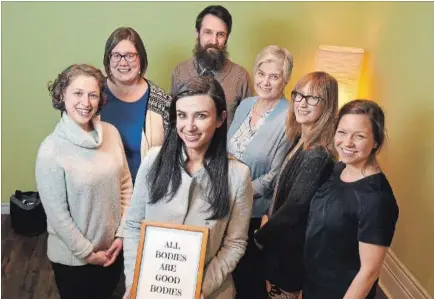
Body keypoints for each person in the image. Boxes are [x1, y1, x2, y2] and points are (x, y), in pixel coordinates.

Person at [122, 76, 253, 299]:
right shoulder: (153, 160)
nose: (189, 126)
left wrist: (199, 289)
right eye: (182, 115)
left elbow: (235, 243)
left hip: (208, 291)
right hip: (152, 289)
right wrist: (137, 280)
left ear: (220, 119)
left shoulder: (238, 175)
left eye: (201, 116)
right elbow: (134, 225)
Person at [35, 64, 133, 299]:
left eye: (93, 95)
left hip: (112, 252)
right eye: (78, 93)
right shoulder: (50, 150)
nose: (86, 102)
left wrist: (121, 236)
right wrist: (88, 254)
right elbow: (58, 215)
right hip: (73, 262)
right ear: (62, 95)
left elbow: (126, 186)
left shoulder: (111, 133)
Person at [254, 71, 339, 299]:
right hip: (280, 243)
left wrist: (259, 237)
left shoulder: (317, 155)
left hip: (290, 252)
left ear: (328, 106)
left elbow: (294, 209)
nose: (302, 103)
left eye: (313, 98)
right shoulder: (300, 140)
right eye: (299, 95)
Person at [303, 100, 399, 299]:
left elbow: (369, 272)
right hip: (314, 283)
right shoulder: (339, 169)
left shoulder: (377, 199)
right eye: (342, 132)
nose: (347, 143)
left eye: (360, 136)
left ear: (376, 142)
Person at [227, 45, 294, 299]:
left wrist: (237, 191)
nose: (265, 82)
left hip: (255, 213)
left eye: (274, 76)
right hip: (226, 203)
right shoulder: (245, 104)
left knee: (247, 278)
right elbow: (227, 149)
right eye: (261, 73)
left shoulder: (289, 116)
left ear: (285, 79)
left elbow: (275, 175)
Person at [100, 27, 171, 184]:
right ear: (108, 59)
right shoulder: (92, 95)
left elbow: (172, 157)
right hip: (101, 195)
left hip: (146, 196)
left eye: (130, 55)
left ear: (141, 58)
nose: (123, 62)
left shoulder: (162, 101)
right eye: (116, 55)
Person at [171, 5, 252, 126]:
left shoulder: (241, 77)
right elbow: (173, 119)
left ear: (226, 38)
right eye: (208, 32)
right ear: (197, 33)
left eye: (220, 34)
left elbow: (247, 126)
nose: (214, 41)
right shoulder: (180, 72)